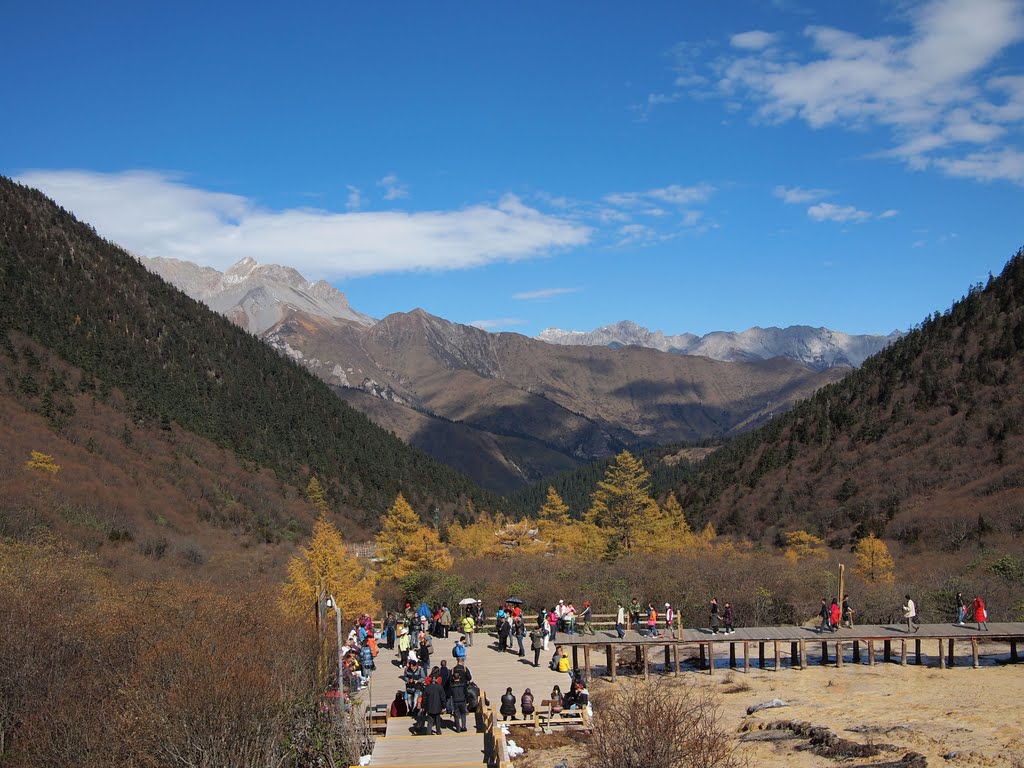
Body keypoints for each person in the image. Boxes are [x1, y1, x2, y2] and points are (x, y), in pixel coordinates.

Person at [446, 659, 473, 732]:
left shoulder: (453, 669)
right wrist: (467, 700)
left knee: (456, 714)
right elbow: (469, 678)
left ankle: (458, 728)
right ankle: (463, 726)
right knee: (463, 713)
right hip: (462, 699)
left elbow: (449, 682)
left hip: (455, 700)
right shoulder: (464, 669)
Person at [422, 669, 446, 735]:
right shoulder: (439, 687)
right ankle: (438, 731)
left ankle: (428, 732)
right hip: (438, 707)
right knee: (437, 720)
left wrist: (424, 706)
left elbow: (424, 698)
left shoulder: (427, 688)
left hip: (429, 707)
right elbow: (443, 697)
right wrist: (444, 706)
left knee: (430, 721)